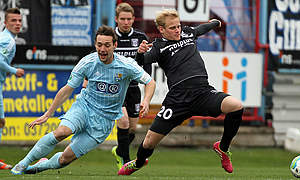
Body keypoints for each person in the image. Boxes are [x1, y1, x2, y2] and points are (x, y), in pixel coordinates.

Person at [10, 25, 156, 175]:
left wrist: (146, 100)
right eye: (99, 45)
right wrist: (47, 114)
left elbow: (150, 82)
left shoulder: (126, 65)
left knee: (64, 159)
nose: (103, 49)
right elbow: (67, 89)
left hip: (104, 121)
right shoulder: (88, 62)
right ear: (95, 45)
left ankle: (37, 167)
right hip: (84, 107)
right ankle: (23, 163)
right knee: (62, 132)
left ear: (115, 45)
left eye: (107, 45)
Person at [118, 9, 243, 176]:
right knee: (148, 143)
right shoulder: (158, 46)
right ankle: (138, 163)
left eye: (178, 26)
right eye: (172, 28)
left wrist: (215, 23)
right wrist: (140, 54)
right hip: (177, 100)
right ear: (161, 29)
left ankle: (223, 148)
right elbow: (143, 61)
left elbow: (201, 29)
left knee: (236, 106)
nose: (177, 30)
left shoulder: (187, 33)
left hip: (202, 93)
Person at [82, 2, 151, 170]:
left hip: (133, 88)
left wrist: (147, 81)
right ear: (116, 19)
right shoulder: (110, 38)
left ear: (134, 19)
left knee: (133, 129)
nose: (126, 22)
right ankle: (126, 161)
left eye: (129, 19)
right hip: (115, 89)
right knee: (124, 121)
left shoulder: (141, 38)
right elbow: (96, 59)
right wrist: (86, 80)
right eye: (122, 19)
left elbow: (147, 62)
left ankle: (120, 150)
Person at [0, 8, 25, 170]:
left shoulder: (5, 38)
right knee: (1, 121)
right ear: (5, 23)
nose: (17, 24)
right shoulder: (7, 40)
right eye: (13, 21)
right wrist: (14, 71)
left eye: (19, 21)